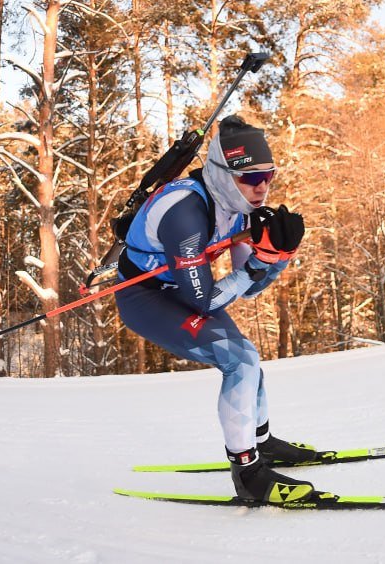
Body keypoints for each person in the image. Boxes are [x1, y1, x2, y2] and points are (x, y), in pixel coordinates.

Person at [114, 114, 321, 504]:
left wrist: (277, 256)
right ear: (224, 174)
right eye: (250, 178)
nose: (261, 187)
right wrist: (260, 263)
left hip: (180, 287)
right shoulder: (185, 214)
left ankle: (262, 442)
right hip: (145, 296)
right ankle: (248, 475)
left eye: (268, 176)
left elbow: (248, 288)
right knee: (238, 360)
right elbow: (204, 300)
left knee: (248, 356)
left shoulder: (237, 205)